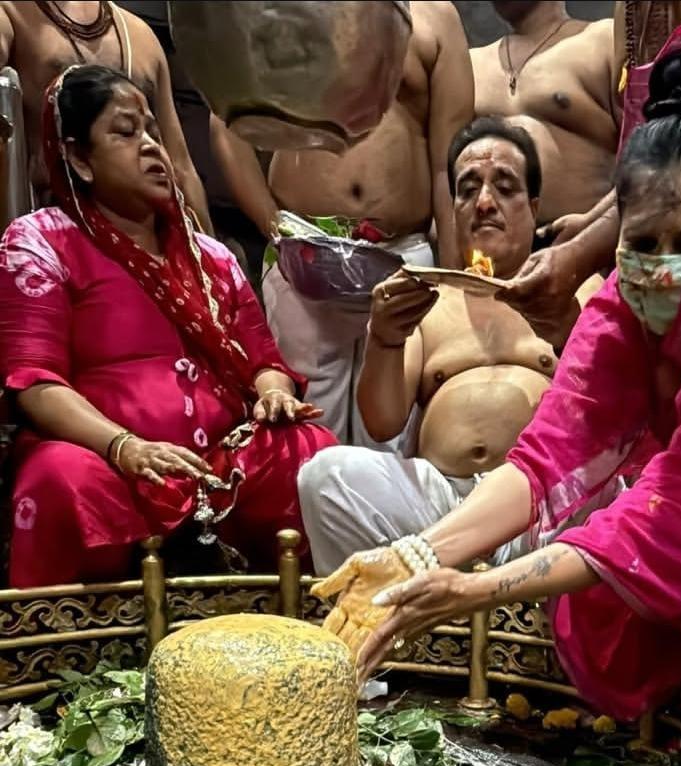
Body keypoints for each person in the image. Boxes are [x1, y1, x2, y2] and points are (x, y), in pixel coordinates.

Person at [311, 26, 681, 735]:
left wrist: (474, 588)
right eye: (641, 241)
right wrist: (416, 554)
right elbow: (551, 450)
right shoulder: (624, 297)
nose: (657, 268)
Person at [0, 64, 337, 588]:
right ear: (79, 159)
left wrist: (274, 395)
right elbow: (35, 383)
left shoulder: (212, 257)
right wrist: (125, 447)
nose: (152, 146)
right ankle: (71, 654)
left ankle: (303, 630)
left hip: (217, 469)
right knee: (58, 477)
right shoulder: (41, 241)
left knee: (311, 449)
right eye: (126, 132)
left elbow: (265, 363)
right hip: (109, 461)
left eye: (153, 131)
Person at [299, 116, 602, 577]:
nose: (484, 202)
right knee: (325, 476)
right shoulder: (428, 300)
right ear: (453, 209)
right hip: (440, 503)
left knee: (620, 489)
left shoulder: (580, 289)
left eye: (505, 187)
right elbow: (381, 424)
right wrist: (384, 336)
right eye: (467, 189)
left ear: (533, 206)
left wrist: (566, 330)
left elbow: (614, 408)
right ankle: (389, 615)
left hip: (543, 503)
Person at [210, 0, 473, 447]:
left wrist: (450, 280)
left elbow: (450, 161)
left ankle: (387, 519)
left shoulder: (437, 17)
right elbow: (226, 122)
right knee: (306, 424)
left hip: (403, 256)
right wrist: (273, 224)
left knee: (398, 431)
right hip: (303, 251)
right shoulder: (283, 9)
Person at [496, 2, 681, 343]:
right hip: (654, 247)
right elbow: (650, 146)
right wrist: (589, 224)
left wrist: (580, 254)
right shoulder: (629, 6)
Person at [0, 0, 210, 229]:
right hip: (55, 231)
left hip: (150, 238)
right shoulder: (11, 13)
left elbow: (181, 167)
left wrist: (207, 254)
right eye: (125, 130)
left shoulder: (142, 38)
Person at [470, 1, 618, 232]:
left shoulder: (604, 40)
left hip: (587, 241)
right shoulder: (470, 64)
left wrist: (593, 227)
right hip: (489, 248)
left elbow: (644, 151)